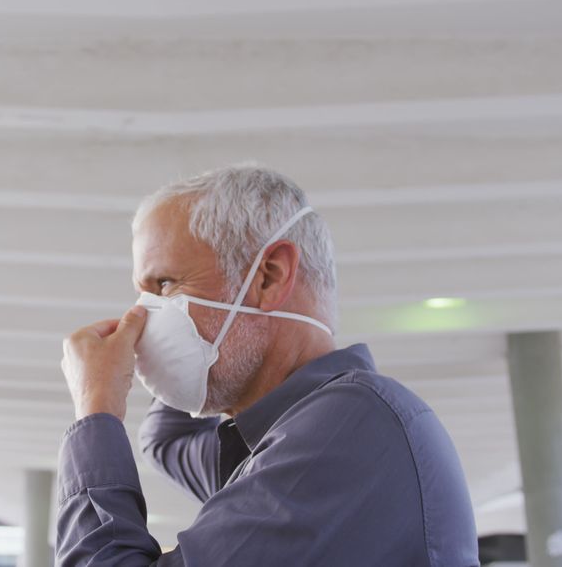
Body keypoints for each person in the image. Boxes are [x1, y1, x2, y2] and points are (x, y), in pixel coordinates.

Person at [57, 163, 479, 566]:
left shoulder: (349, 426)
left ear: (270, 277)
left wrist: (96, 405)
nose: (143, 318)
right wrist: (178, 360)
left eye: (164, 284)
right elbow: (167, 441)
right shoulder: (283, 438)